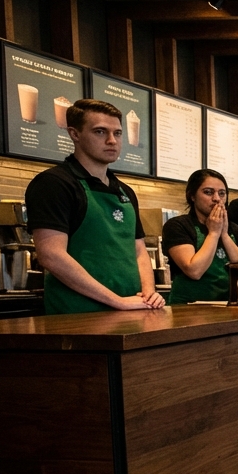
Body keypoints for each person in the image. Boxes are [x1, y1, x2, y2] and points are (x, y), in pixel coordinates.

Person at [26, 99, 164, 314]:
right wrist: (116, 301)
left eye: (117, 133)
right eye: (100, 132)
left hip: (131, 309)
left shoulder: (125, 192)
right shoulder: (54, 184)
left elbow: (138, 250)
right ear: (75, 134)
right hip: (77, 317)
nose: (112, 140)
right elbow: (51, 255)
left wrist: (149, 293)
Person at [162, 169, 238, 305]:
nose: (216, 198)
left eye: (222, 193)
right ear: (192, 196)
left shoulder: (234, 229)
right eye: (208, 192)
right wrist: (214, 234)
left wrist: (225, 235)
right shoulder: (178, 225)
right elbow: (194, 271)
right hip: (188, 307)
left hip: (227, 305)